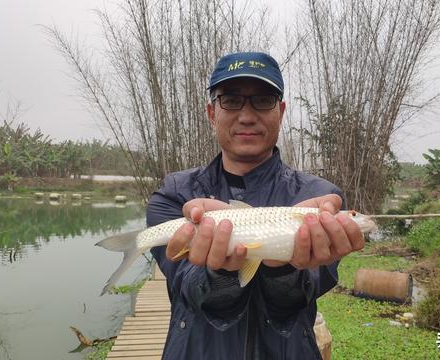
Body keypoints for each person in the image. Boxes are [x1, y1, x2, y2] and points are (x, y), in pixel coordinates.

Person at [146, 51, 365, 359]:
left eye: (263, 100)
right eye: (231, 100)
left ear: (281, 111)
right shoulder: (174, 195)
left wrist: (284, 270)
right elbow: (189, 290)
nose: (247, 116)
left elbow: (298, 299)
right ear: (211, 112)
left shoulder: (321, 198)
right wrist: (220, 275)